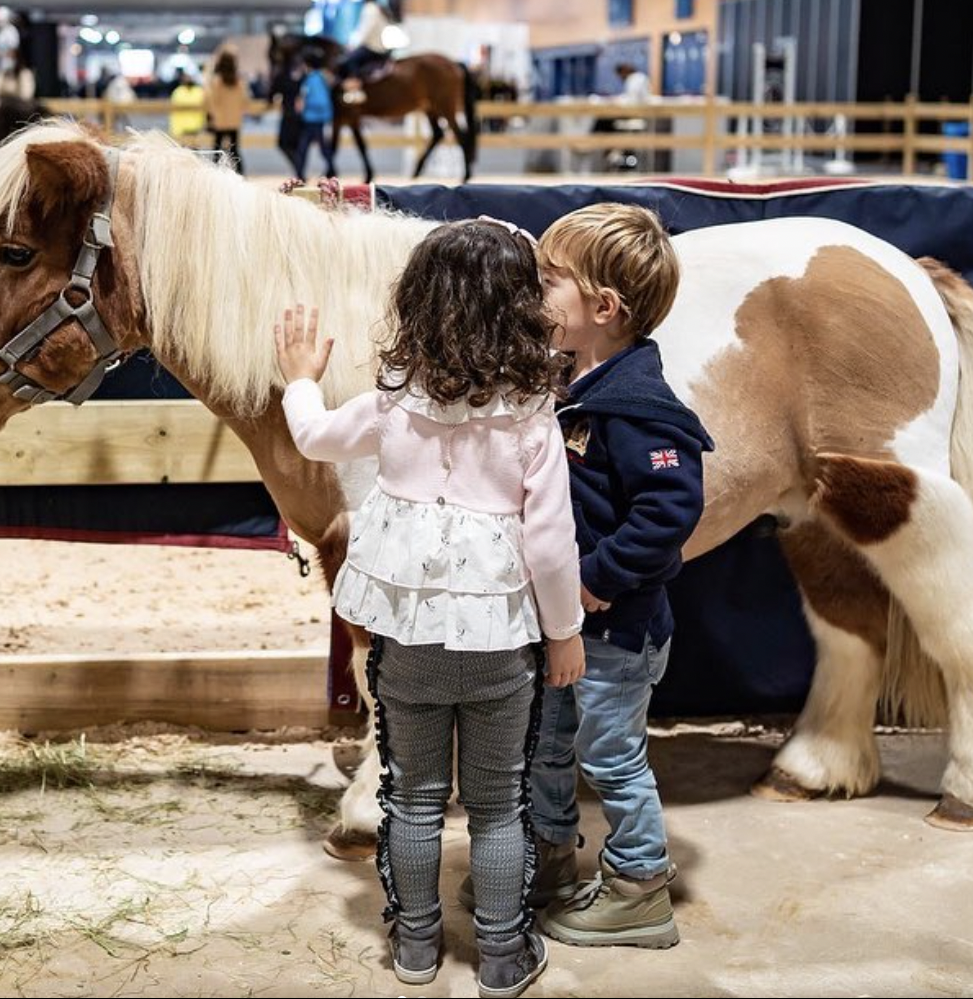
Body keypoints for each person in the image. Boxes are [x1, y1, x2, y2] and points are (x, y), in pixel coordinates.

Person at [274, 219, 587, 998]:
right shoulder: (533, 416)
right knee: (494, 804)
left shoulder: (391, 401)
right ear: (522, 307)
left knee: (410, 800)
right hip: (498, 644)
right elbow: (549, 545)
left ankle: (415, 947)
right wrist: (565, 634)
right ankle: (503, 954)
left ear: (420, 301)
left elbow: (313, 438)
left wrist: (301, 375)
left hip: (409, 641)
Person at [529, 202, 712, 948]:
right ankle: (547, 857)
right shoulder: (580, 385)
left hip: (613, 629)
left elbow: (671, 510)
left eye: (548, 282)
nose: (533, 295)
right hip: (573, 626)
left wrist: (595, 580)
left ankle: (640, 886)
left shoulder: (638, 407)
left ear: (603, 308)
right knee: (547, 738)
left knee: (609, 754)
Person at [205, 49, 249, 173]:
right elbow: (245, 101)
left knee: (217, 150)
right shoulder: (239, 81)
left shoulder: (217, 81)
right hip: (234, 121)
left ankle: (215, 176)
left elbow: (211, 101)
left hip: (219, 121)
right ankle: (241, 176)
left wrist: (212, 116)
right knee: (235, 151)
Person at [294, 50, 336, 179]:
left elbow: (320, 101)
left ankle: (301, 175)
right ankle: (330, 171)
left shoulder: (314, 79)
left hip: (315, 120)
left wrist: (304, 104)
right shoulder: (318, 78)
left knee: (306, 149)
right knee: (319, 149)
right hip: (317, 119)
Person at [339, 0, 395, 94]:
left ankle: (356, 89)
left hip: (374, 48)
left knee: (350, 60)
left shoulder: (371, 9)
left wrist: (351, 45)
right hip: (377, 46)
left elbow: (364, 31)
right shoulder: (374, 7)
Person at [168, 69, 206, 143]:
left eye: (189, 78)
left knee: (194, 147)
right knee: (183, 148)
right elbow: (174, 109)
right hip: (181, 126)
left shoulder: (198, 91)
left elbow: (203, 106)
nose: (188, 80)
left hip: (195, 125)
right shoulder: (178, 92)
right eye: (186, 78)